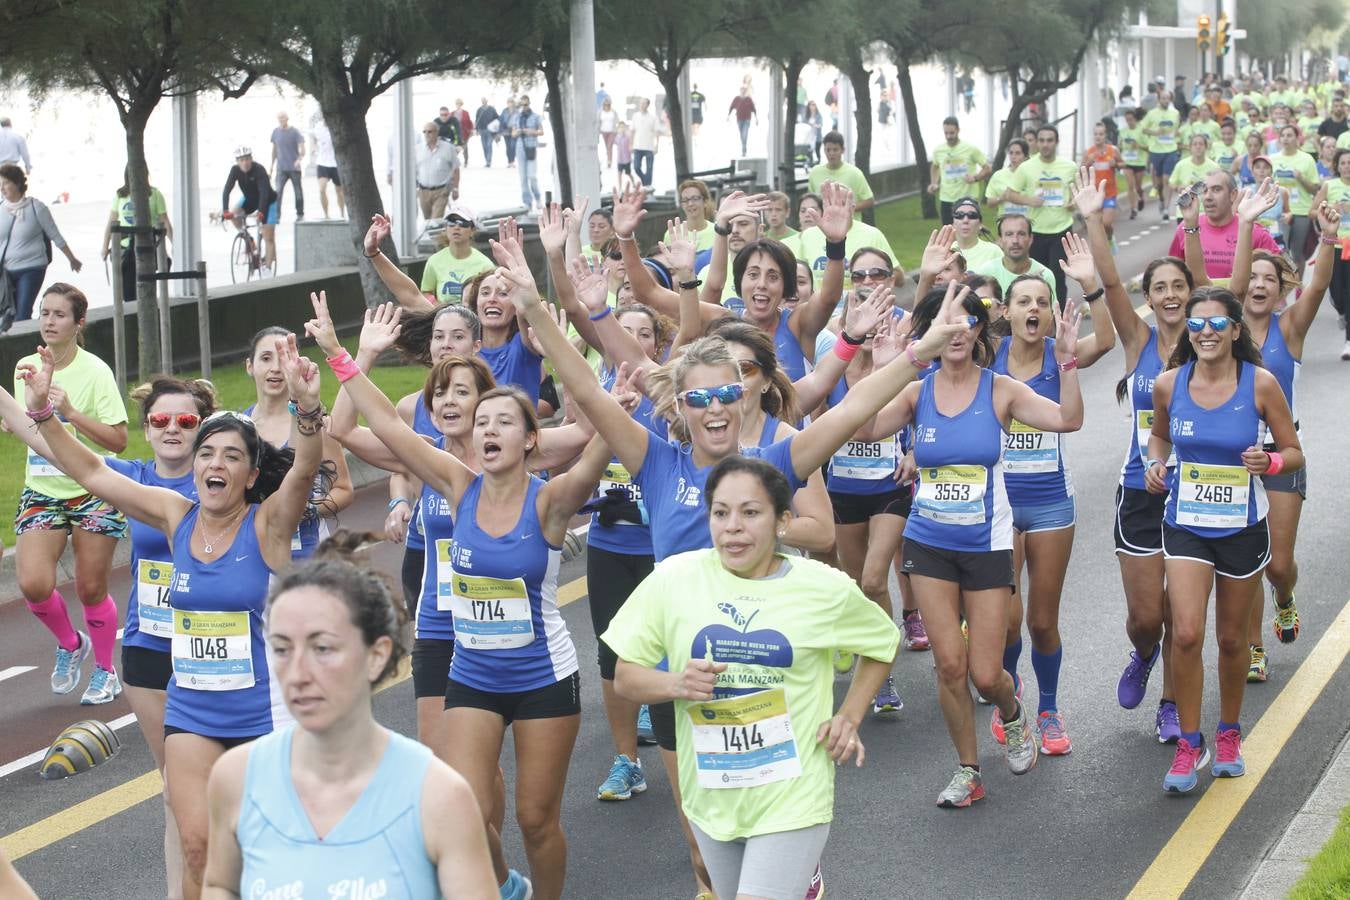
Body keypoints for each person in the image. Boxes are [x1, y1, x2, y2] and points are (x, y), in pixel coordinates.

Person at [312, 292, 607, 900]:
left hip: (542, 677)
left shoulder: (549, 501)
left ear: (531, 440)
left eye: (505, 422)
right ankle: (505, 885)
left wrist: (624, 409)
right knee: (461, 808)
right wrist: (341, 356)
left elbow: (602, 439)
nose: (488, 430)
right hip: (470, 672)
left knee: (536, 819)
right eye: (482, 423)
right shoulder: (455, 484)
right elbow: (390, 426)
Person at [20, 326, 324, 900]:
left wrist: (308, 410)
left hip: (264, 714)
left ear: (251, 475)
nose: (215, 463)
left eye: (232, 456)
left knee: (269, 854)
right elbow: (90, 472)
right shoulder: (174, 514)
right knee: (195, 848)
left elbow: (305, 471)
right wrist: (42, 412)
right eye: (206, 452)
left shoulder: (268, 525)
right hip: (191, 712)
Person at [602, 457, 900, 900]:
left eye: (750, 512)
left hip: (792, 795)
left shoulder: (823, 588)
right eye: (721, 513)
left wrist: (850, 716)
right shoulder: (674, 579)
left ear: (782, 521)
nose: (733, 527)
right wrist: (677, 684)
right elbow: (624, 677)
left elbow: (883, 642)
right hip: (711, 796)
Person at [858, 280, 1084, 806]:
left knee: (987, 674)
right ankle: (968, 770)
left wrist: (1068, 365)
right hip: (929, 542)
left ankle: (1013, 714)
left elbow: (1067, 420)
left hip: (986, 545)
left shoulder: (1000, 389)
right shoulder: (916, 392)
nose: (956, 331)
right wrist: (881, 368)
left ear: (980, 329)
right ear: (929, 332)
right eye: (944, 321)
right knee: (949, 666)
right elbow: (864, 430)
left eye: (966, 320)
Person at [0, 375, 216, 894]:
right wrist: (20, 403)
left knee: (219, 794)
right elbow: (46, 443)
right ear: (147, 427)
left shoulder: (223, 481)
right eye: (160, 420)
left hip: (213, 653)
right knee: (176, 793)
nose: (171, 429)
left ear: (202, 428)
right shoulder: (133, 478)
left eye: (185, 421)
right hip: (149, 651)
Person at [201, 535, 500, 899]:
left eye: (322, 648)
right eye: (281, 649)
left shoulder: (439, 797)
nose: (297, 673)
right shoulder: (235, 778)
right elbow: (219, 885)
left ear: (376, 655)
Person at [1144, 287, 1301, 792]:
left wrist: (1270, 462)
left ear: (1236, 329)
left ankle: (1229, 730)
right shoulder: (1169, 384)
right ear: (1187, 332)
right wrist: (1155, 462)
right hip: (1186, 523)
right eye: (1196, 324)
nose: (1205, 332)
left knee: (1232, 639)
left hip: (1242, 527)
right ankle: (1191, 742)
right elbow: (1160, 436)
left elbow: (1294, 451)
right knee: (1186, 633)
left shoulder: (1261, 384)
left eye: (1216, 323)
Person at [1189, 190, 1335, 683]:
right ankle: (1253, 648)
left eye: (1269, 280)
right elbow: (1195, 282)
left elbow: (1316, 289)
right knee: (1246, 562)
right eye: (1250, 277)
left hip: (1279, 457)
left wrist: (1330, 238)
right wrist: (1199, 227)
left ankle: (1286, 596)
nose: (1258, 285)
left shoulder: (1288, 328)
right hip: (1230, 459)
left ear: (1279, 291)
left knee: (1277, 564)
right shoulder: (1223, 331)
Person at [986, 234, 1116, 757]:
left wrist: (1091, 285)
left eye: (1042, 301)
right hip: (996, 507)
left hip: (1050, 503)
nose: (1034, 309)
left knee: (1042, 620)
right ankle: (1011, 693)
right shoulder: (985, 358)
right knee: (1009, 620)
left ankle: (1050, 709)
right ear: (1007, 313)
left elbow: (1105, 341)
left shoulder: (1061, 355)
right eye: (1024, 302)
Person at [1075, 167, 1188, 743]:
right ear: (1151, 299)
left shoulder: (1209, 345)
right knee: (1148, 617)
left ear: (1192, 296)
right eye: (1159, 289)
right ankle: (1142, 653)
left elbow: (1240, 286)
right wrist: (1095, 217)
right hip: (1140, 492)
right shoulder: (1139, 343)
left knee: (1182, 615)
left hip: (1193, 495)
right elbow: (1112, 285)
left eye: (1178, 287)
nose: (1169, 296)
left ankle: (1171, 703)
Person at [10, 284, 126, 705]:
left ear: (79, 324)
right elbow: (27, 426)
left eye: (59, 314)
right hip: (42, 490)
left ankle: (106, 671)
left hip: (92, 489)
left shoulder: (96, 372)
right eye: (44, 313)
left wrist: (72, 413)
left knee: (91, 587)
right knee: (33, 583)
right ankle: (71, 644)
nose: (48, 321)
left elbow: (118, 441)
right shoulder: (26, 365)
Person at [241, 326, 354, 560]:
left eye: (283, 359)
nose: (275, 368)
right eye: (265, 358)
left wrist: (305, 507)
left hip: (311, 555)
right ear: (249, 366)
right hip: (253, 554)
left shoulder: (317, 425)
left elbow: (343, 489)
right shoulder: (238, 429)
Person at [0, 165, 82, 328]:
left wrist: (72, 259)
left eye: (6, 183)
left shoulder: (35, 207)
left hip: (32, 268)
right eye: (0, 183)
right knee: (7, 313)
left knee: (22, 313)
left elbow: (55, 235)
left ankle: (22, 346)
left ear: (17, 183)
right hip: (6, 271)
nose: (1, 188)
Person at [1006, 125, 1078, 301]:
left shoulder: (1069, 166)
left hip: (1061, 229)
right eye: (1042, 140)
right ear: (1037, 143)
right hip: (1036, 231)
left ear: (1057, 142)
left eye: (1050, 140)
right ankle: (1041, 314)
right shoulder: (1026, 167)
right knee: (1037, 277)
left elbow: (1078, 191)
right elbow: (1010, 193)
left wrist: (1073, 203)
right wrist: (1030, 201)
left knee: (1057, 276)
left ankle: (1059, 319)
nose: (1045, 144)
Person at [1166, 170, 1280, 282]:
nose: (1208, 197)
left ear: (1233, 194)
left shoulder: (1253, 230)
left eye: (1216, 190)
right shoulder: (1186, 227)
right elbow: (1171, 273)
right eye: (1204, 191)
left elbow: (1289, 273)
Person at [103, 167, 172, 305]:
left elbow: (165, 221)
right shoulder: (120, 195)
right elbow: (112, 222)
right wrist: (105, 246)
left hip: (148, 247)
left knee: (146, 286)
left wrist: (175, 244)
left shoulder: (155, 194)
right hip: (124, 248)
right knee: (128, 291)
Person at [419, 204, 495, 304]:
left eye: (463, 223)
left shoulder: (485, 264)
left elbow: (492, 295)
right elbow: (426, 292)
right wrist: (438, 310)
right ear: (446, 228)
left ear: (472, 230)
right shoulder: (434, 261)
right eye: (451, 223)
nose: (457, 227)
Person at [969, 213, 1057, 300]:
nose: (1015, 240)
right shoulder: (987, 272)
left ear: (1031, 239)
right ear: (1000, 240)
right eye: (1009, 234)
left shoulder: (1045, 276)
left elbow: (1051, 313)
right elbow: (979, 310)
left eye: (1021, 234)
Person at [1271, 124, 1321, 272]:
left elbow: (1314, 189)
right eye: (1283, 135)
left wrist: (1301, 178)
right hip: (1280, 212)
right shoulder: (1273, 159)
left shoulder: (1306, 159)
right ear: (1279, 139)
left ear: (1297, 138)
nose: (1286, 138)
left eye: (1289, 135)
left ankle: (1298, 286)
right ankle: (1283, 286)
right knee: (1281, 251)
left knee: (1297, 252)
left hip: (1301, 211)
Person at [221, 147, 278, 269]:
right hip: (250, 200)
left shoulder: (259, 170)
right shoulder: (235, 170)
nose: (244, 163)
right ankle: (249, 240)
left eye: (247, 159)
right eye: (241, 160)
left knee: (268, 235)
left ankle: (268, 267)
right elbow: (227, 190)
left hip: (268, 201)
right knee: (234, 215)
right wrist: (225, 210)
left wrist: (261, 212)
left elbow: (264, 193)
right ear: (237, 162)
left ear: (251, 159)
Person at [929, 117, 991, 224]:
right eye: (946, 133)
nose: (949, 136)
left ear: (958, 130)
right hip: (946, 198)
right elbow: (935, 166)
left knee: (969, 232)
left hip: (967, 198)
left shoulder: (970, 149)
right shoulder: (939, 150)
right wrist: (934, 183)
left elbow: (987, 167)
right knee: (948, 234)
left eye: (952, 133)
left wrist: (975, 178)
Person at [1320, 150, 1350, 358]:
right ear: (1337, 166)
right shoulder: (1329, 186)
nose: (1347, 166)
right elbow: (1314, 211)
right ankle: (1341, 311)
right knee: (1338, 295)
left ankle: (1348, 341)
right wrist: (1331, 208)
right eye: (1344, 163)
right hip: (1335, 246)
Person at [809, 131, 876, 218]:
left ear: (842, 150)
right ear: (824, 150)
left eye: (835, 150)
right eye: (828, 150)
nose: (831, 153)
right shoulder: (815, 172)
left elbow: (869, 200)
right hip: (824, 227)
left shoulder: (855, 173)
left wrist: (847, 209)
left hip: (850, 227)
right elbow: (811, 200)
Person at [1142, 91, 1183, 218]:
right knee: (1159, 182)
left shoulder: (1175, 113)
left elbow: (1176, 129)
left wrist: (1177, 134)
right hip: (1156, 150)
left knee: (1167, 179)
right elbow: (1143, 128)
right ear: (1159, 100)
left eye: (1168, 98)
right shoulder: (1151, 114)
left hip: (1170, 149)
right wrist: (1155, 132)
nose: (1165, 100)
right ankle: (1161, 200)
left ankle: (1166, 208)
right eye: (1163, 98)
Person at [1081, 122, 1122, 237]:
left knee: (1107, 223)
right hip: (1093, 195)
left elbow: (1123, 164)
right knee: (1095, 226)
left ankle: (1110, 237)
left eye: (1101, 134)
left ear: (1105, 135)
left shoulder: (1113, 150)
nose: (1098, 136)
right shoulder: (1088, 152)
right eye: (1095, 134)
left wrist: (1116, 164)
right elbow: (1080, 170)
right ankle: (1102, 246)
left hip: (1109, 193)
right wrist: (1089, 161)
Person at [415, 122, 460, 223]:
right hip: (423, 191)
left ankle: (435, 236)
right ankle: (433, 238)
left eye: (430, 132)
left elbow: (456, 169)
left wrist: (455, 189)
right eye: (424, 132)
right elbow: (414, 171)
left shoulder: (448, 148)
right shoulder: (418, 149)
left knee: (436, 221)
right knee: (427, 221)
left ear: (436, 133)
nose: (427, 134)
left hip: (441, 191)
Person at [269, 112, 305, 221]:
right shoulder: (275, 132)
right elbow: (274, 150)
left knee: (298, 192)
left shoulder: (295, 132)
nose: (281, 119)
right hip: (281, 168)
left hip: (294, 168)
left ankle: (300, 214)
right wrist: (271, 165)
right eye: (279, 118)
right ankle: (277, 216)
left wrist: (299, 160)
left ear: (287, 118)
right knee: (278, 192)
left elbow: (302, 150)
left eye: (283, 117)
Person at [512, 95, 544, 214]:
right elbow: (513, 133)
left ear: (529, 104)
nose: (524, 107)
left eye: (526, 105)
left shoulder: (535, 117)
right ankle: (527, 202)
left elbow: (541, 131)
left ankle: (538, 197)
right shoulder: (517, 117)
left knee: (532, 176)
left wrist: (531, 132)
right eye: (522, 105)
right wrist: (518, 132)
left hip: (531, 146)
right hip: (520, 147)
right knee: (523, 177)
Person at [985, 138, 1030, 221]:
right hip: (1005, 224)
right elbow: (989, 203)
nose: (1013, 157)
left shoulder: (1031, 175)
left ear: (1026, 156)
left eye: (1018, 153)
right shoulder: (998, 175)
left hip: (1027, 224)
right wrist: (1001, 198)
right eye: (1011, 153)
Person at [309, 118, 344, 219]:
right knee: (321, 189)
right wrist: (313, 148)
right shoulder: (318, 126)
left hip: (336, 163)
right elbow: (314, 139)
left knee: (340, 191)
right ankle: (326, 215)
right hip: (322, 162)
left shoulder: (337, 124)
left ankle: (342, 213)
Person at [631, 99, 658, 188]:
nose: (642, 105)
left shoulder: (652, 117)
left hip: (649, 146)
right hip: (637, 146)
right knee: (636, 167)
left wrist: (656, 145)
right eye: (641, 103)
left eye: (644, 103)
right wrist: (630, 144)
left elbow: (656, 132)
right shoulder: (635, 116)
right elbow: (632, 131)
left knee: (649, 168)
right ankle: (645, 181)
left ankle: (648, 186)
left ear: (648, 105)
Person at [728, 86, 757, 157]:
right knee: (742, 135)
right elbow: (731, 107)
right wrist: (728, 116)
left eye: (744, 90)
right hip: (739, 119)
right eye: (742, 90)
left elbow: (753, 109)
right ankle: (743, 146)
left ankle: (744, 149)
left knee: (745, 134)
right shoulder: (737, 99)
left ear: (746, 91)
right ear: (740, 91)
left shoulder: (749, 99)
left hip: (747, 119)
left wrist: (756, 118)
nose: (743, 91)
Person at [475, 97, 499, 168]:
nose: (483, 101)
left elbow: (497, 118)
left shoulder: (492, 109)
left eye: (484, 100)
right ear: (481, 101)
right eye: (482, 100)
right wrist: (476, 130)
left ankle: (489, 161)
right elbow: (477, 120)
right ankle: (487, 160)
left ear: (487, 101)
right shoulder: (479, 110)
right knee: (484, 146)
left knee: (489, 145)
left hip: (490, 130)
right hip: (482, 130)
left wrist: (495, 127)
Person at [598, 98, 618, 167]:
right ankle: (609, 157)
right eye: (605, 104)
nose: (606, 106)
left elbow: (617, 120)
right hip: (604, 131)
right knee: (607, 146)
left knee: (609, 146)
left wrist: (617, 129)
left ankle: (609, 161)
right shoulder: (600, 112)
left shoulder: (613, 112)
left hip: (612, 131)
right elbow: (598, 121)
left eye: (607, 104)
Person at [453, 99, 474, 165]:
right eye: (457, 104)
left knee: (465, 147)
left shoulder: (465, 113)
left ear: (461, 104)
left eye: (459, 104)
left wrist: (471, 130)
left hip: (464, 133)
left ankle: (466, 161)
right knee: (455, 147)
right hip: (455, 134)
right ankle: (454, 160)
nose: (458, 105)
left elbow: (469, 122)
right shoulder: (452, 113)